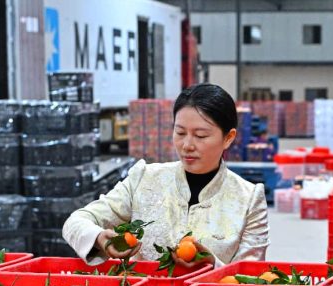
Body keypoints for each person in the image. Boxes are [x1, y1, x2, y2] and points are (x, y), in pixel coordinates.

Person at [62, 83, 269, 266]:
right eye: (180, 133)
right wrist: (100, 238)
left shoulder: (248, 200)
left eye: (200, 135)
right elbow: (76, 222)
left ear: (228, 138)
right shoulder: (144, 179)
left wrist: (212, 264)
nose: (187, 145)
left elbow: (250, 278)